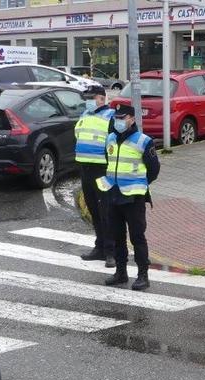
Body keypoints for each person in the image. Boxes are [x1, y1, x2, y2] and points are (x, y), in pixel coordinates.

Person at [98, 104, 160, 291]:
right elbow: (108, 163)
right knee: (117, 236)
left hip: (134, 198)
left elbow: (154, 170)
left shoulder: (143, 141)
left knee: (137, 237)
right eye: (116, 118)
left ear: (132, 119)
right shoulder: (110, 138)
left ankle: (143, 275)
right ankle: (121, 272)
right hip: (113, 195)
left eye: (122, 118)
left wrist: (140, 184)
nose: (118, 121)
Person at [75, 85, 116, 267]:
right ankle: (99, 247)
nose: (88, 102)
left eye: (91, 98)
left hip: (102, 170)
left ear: (101, 99)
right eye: (87, 99)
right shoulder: (85, 115)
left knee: (106, 211)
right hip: (86, 169)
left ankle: (111, 252)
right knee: (93, 210)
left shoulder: (111, 117)